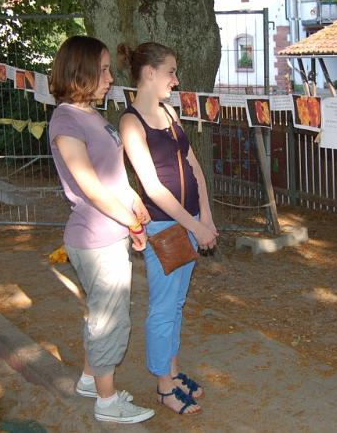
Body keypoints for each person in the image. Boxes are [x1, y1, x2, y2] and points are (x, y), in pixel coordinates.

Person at [48, 35, 154, 424]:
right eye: (104, 70)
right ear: (81, 71)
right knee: (110, 318)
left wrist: (133, 200)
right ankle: (107, 403)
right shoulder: (66, 120)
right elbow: (90, 186)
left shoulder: (90, 115)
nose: (111, 78)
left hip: (111, 231)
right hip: (95, 238)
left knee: (103, 313)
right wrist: (130, 220)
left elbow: (111, 174)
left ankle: (91, 380)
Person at [118, 42, 218, 416]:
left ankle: (173, 373)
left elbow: (194, 167)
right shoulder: (131, 123)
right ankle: (163, 387)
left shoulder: (168, 112)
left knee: (177, 303)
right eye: (171, 72)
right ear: (149, 73)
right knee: (162, 308)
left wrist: (206, 217)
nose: (175, 80)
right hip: (164, 227)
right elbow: (153, 187)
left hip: (191, 221)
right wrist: (195, 226)